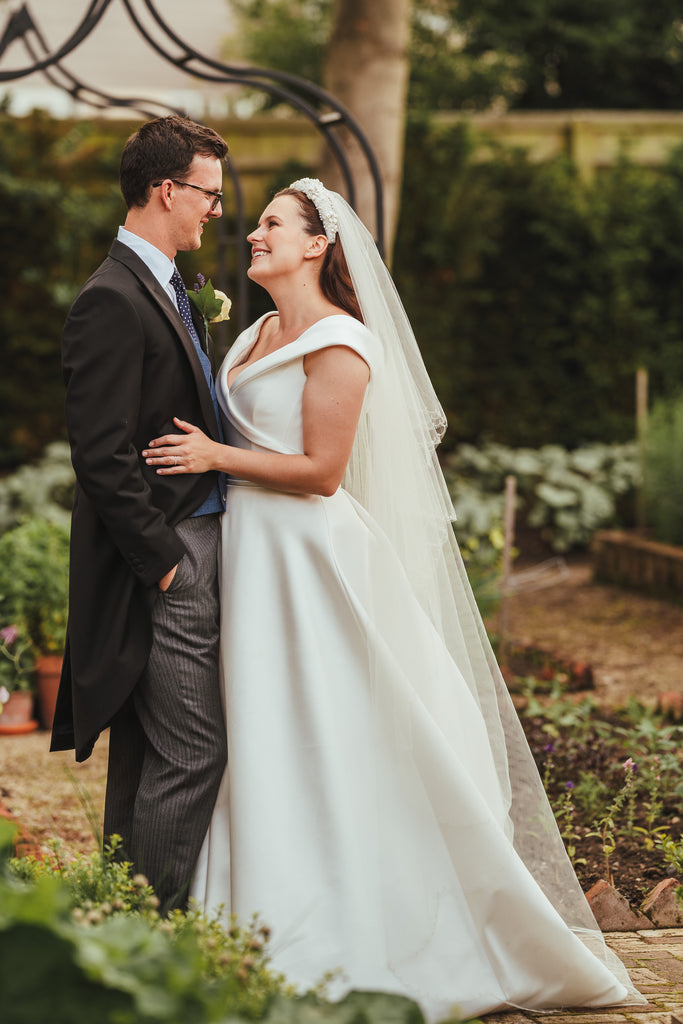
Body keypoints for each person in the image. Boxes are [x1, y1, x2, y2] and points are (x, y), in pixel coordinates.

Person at [142, 179, 644, 1019]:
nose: (252, 234)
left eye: (271, 224)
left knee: (327, 725)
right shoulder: (256, 329)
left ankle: (373, 925)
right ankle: (257, 914)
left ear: (316, 246)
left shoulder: (341, 341)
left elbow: (320, 472)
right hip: (252, 558)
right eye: (257, 222)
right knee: (263, 728)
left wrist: (214, 460)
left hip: (309, 560)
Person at [51, 115, 230, 914]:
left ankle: (117, 926)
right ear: (168, 190)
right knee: (194, 752)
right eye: (209, 195)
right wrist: (165, 561)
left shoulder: (163, 285)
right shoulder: (112, 299)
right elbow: (100, 454)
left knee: (150, 752)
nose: (215, 212)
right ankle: (154, 935)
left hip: (184, 547)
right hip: (164, 563)